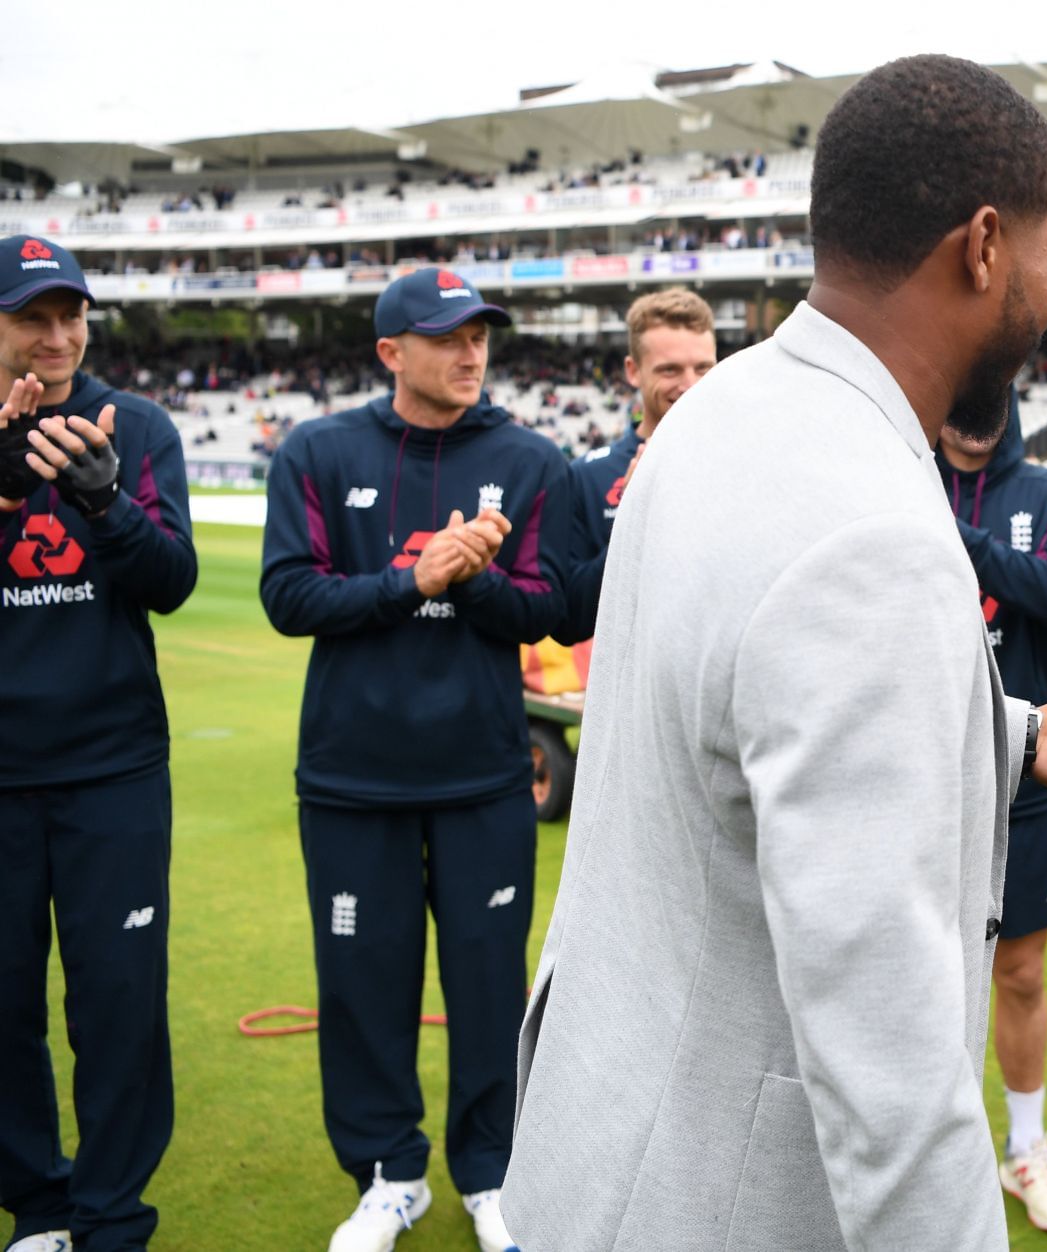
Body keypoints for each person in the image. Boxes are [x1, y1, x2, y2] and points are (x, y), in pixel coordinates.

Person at [501, 55, 1047, 1251]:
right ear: (982, 247)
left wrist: (1007, 737)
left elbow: (737, 712)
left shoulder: (721, 409)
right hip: (712, 1194)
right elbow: (892, 1071)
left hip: (600, 1134)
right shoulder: (875, 534)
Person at [259, 268, 571, 1252]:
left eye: (481, 335)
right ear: (392, 352)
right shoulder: (318, 450)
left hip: (482, 774)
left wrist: (470, 584)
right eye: (446, 338)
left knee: (488, 986)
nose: (471, 353)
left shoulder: (530, 460)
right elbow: (290, 598)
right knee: (361, 988)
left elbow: (549, 609)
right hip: (354, 778)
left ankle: (490, 1175)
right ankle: (389, 1175)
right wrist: (413, 579)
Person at [0, 237, 197, 1252]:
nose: (59, 334)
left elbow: (171, 580)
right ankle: (38, 1209)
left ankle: (113, 1216)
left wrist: (102, 500)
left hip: (114, 768)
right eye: (34, 315)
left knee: (119, 1005)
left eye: (71, 312)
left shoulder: (139, 425)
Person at [934, 391, 1047, 1232]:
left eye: (990, 392)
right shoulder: (900, 473)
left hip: (1025, 771)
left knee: (1020, 973)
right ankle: (931, 1153)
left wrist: (956, 537)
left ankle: (1026, 1148)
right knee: (913, 975)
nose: (973, 410)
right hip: (912, 773)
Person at [554, 288, 716, 643]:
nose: (691, 385)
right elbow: (568, 621)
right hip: (635, 695)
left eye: (703, 368)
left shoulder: (745, 467)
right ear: (633, 371)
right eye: (670, 370)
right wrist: (634, 516)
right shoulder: (587, 476)